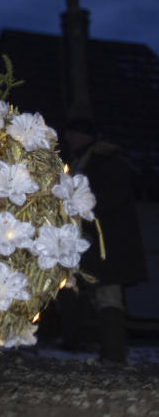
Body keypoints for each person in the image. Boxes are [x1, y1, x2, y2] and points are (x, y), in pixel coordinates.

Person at [59, 115, 148, 363]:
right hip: (91, 241)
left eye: (75, 134)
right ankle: (88, 345)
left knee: (108, 295)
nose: (70, 139)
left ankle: (113, 354)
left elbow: (112, 198)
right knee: (88, 292)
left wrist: (83, 210)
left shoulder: (108, 162)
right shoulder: (78, 161)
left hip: (110, 242)